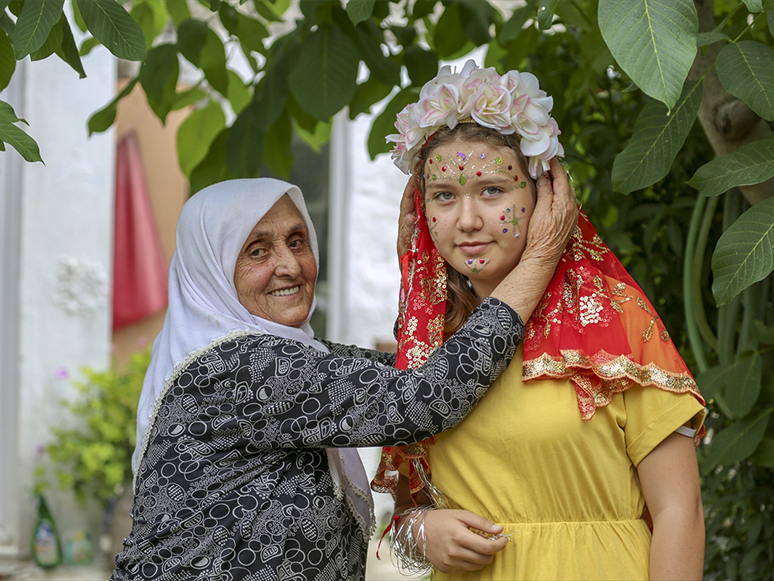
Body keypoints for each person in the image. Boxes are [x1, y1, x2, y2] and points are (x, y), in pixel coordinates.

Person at [110, 175, 576, 580]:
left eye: (297, 241)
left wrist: (420, 271)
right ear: (210, 270)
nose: (289, 265)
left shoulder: (290, 356)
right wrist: (539, 259)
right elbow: (424, 397)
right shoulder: (236, 368)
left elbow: (411, 372)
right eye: (257, 250)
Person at [371, 61, 706, 580]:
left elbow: (679, 513)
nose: (467, 220)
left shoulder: (616, 319)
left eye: (491, 190)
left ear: (546, 196)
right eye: (444, 196)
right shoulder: (428, 338)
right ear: (421, 210)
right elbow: (410, 506)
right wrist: (423, 533)